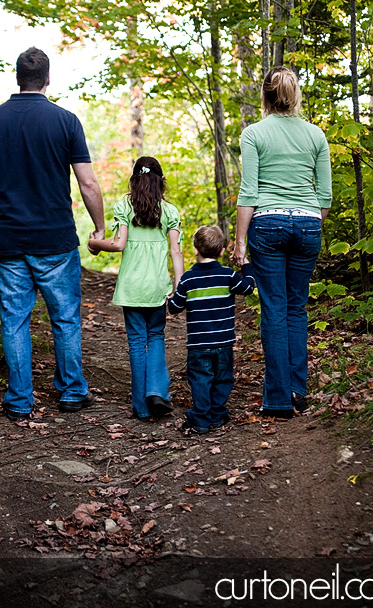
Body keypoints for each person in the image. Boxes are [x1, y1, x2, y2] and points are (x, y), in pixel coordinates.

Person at [0, 47, 105, 421]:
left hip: (8, 239)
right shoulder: (65, 121)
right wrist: (99, 227)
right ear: (47, 79)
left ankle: (19, 400)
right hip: (55, 239)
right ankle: (72, 392)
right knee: (64, 317)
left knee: (15, 319)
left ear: (17, 77)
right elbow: (88, 184)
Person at [233, 66, 332, 419]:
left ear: (265, 96)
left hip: (268, 224)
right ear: (295, 94)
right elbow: (325, 197)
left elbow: (249, 191)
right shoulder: (316, 135)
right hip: (308, 224)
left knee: (274, 309)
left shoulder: (254, 134)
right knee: (296, 308)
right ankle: (298, 390)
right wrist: (308, 226)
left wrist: (240, 242)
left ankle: (277, 399)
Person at [88, 156, 184, 421]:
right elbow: (176, 251)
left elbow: (118, 244)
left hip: (132, 287)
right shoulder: (170, 211)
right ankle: (156, 393)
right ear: (161, 182)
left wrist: (95, 244)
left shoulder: (124, 207)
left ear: (134, 181)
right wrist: (178, 284)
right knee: (156, 337)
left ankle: (141, 407)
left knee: (137, 342)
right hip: (156, 287)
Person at [168, 225, 255, 434]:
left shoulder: (188, 279)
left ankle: (201, 418)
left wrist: (169, 299)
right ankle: (217, 414)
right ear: (222, 251)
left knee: (199, 379)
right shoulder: (228, 275)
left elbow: (174, 309)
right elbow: (249, 287)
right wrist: (247, 267)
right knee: (223, 377)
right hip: (223, 342)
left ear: (195, 250)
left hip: (198, 344)